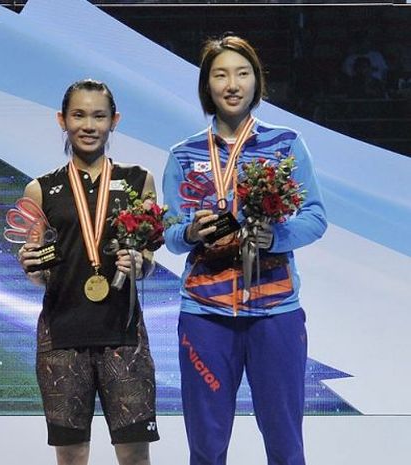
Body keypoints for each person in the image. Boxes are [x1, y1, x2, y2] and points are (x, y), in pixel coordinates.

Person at [162, 35, 327, 465]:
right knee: (206, 442)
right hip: (205, 312)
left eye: (242, 73)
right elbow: (171, 233)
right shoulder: (184, 154)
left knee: (285, 439)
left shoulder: (286, 143)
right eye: (220, 75)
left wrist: (277, 237)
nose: (232, 83)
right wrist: (193, 232)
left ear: (256, 82)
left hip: (275, 311)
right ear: (207, 86)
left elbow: (314, 216)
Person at [18, 79, 160, 465]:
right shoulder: (40, 189)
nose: (89, 124)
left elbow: (147, 255)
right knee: (71, 455)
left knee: (133, 454)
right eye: (79, 115)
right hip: (62, 339)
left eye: (99, 116)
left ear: (114, 120)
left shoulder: (137, 181)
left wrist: (141, 262)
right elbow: (37, 268)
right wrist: (31, 265)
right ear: (61, 120)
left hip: (123, 336)